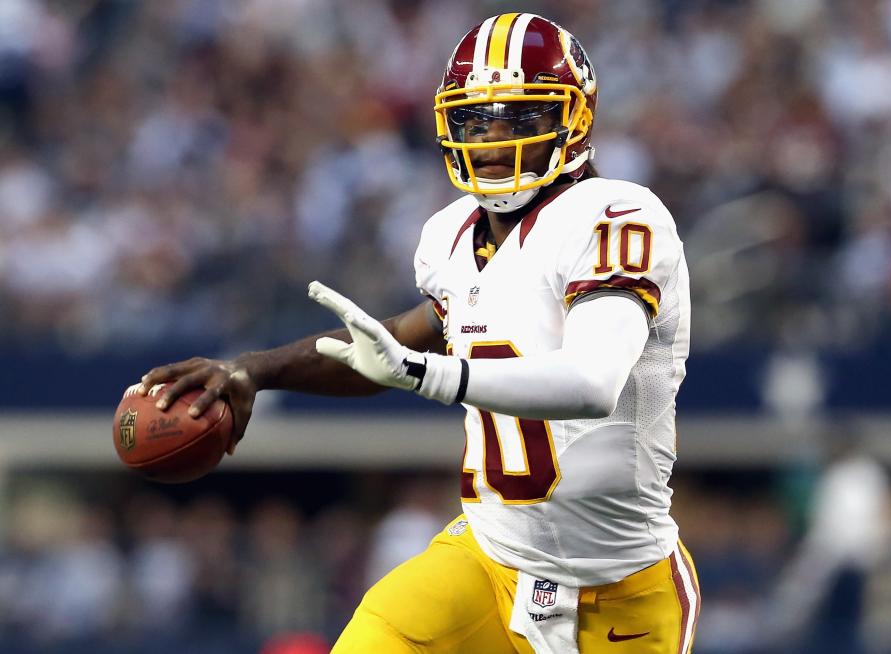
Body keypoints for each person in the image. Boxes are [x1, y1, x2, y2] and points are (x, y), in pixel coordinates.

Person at [140, 13, 698, 654]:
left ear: (572, 120)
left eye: (518, 118)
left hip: (619, 589)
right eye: (476, 119)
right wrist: (254, 371)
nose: (492, 140)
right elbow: (387, 348)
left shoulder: (618, 216)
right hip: (488, 561)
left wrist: (420, 372)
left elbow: (592, 382)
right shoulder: (452, 235)